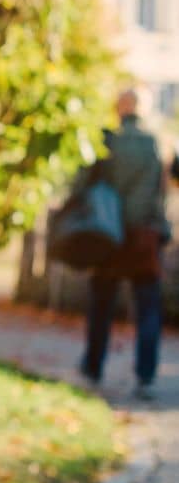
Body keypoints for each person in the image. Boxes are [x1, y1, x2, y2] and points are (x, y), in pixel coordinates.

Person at [78, 87, 172, 401]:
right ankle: (145, 377)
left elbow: (87, 186)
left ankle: (93, 369)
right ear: (141, 109)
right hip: (144, 236)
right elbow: (161, 192)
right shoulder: (156, 145)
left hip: (109, 235)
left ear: (119, 107)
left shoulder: (108, 141)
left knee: (101, 306)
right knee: (147, 310)